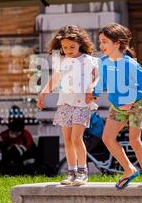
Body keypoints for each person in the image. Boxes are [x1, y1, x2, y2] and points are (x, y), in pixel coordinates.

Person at [93, 23, 142, 192]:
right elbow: (102, 83)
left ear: (117, 44)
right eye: (100, 42)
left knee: (134, 140)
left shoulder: (130, 64)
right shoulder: (102, 63)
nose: (100, 46)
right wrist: (93, 93)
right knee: (107, 138)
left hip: (137, 105)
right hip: (117, 107)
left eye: (104, 42)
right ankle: (129, 169)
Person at [37, 25, 99, 186]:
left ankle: (83, 171)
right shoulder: (61, 61)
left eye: (72, 46)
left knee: (76, 137)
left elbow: (99, 78)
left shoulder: (89, 60)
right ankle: (71, 172)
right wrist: (44, 92)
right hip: (65, 104)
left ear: (80, 43)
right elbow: (54, 80)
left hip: (82, 104)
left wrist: (93, 88)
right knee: (67, 140)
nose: (68, 49)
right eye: (65, 47)